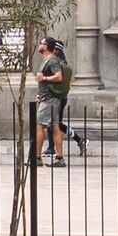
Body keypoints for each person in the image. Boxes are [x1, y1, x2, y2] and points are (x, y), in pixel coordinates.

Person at [34, 35, 72, 166]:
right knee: (55, 126)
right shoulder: (48, 60)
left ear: (45, 47)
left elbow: (58, 77)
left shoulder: (52, 61)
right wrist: (40, 94)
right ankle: (60, 158)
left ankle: (37, 158)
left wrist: (43, 78)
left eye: (41, 43)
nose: (39, 45)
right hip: (47, 97)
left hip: (50, 100)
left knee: (39, 125)